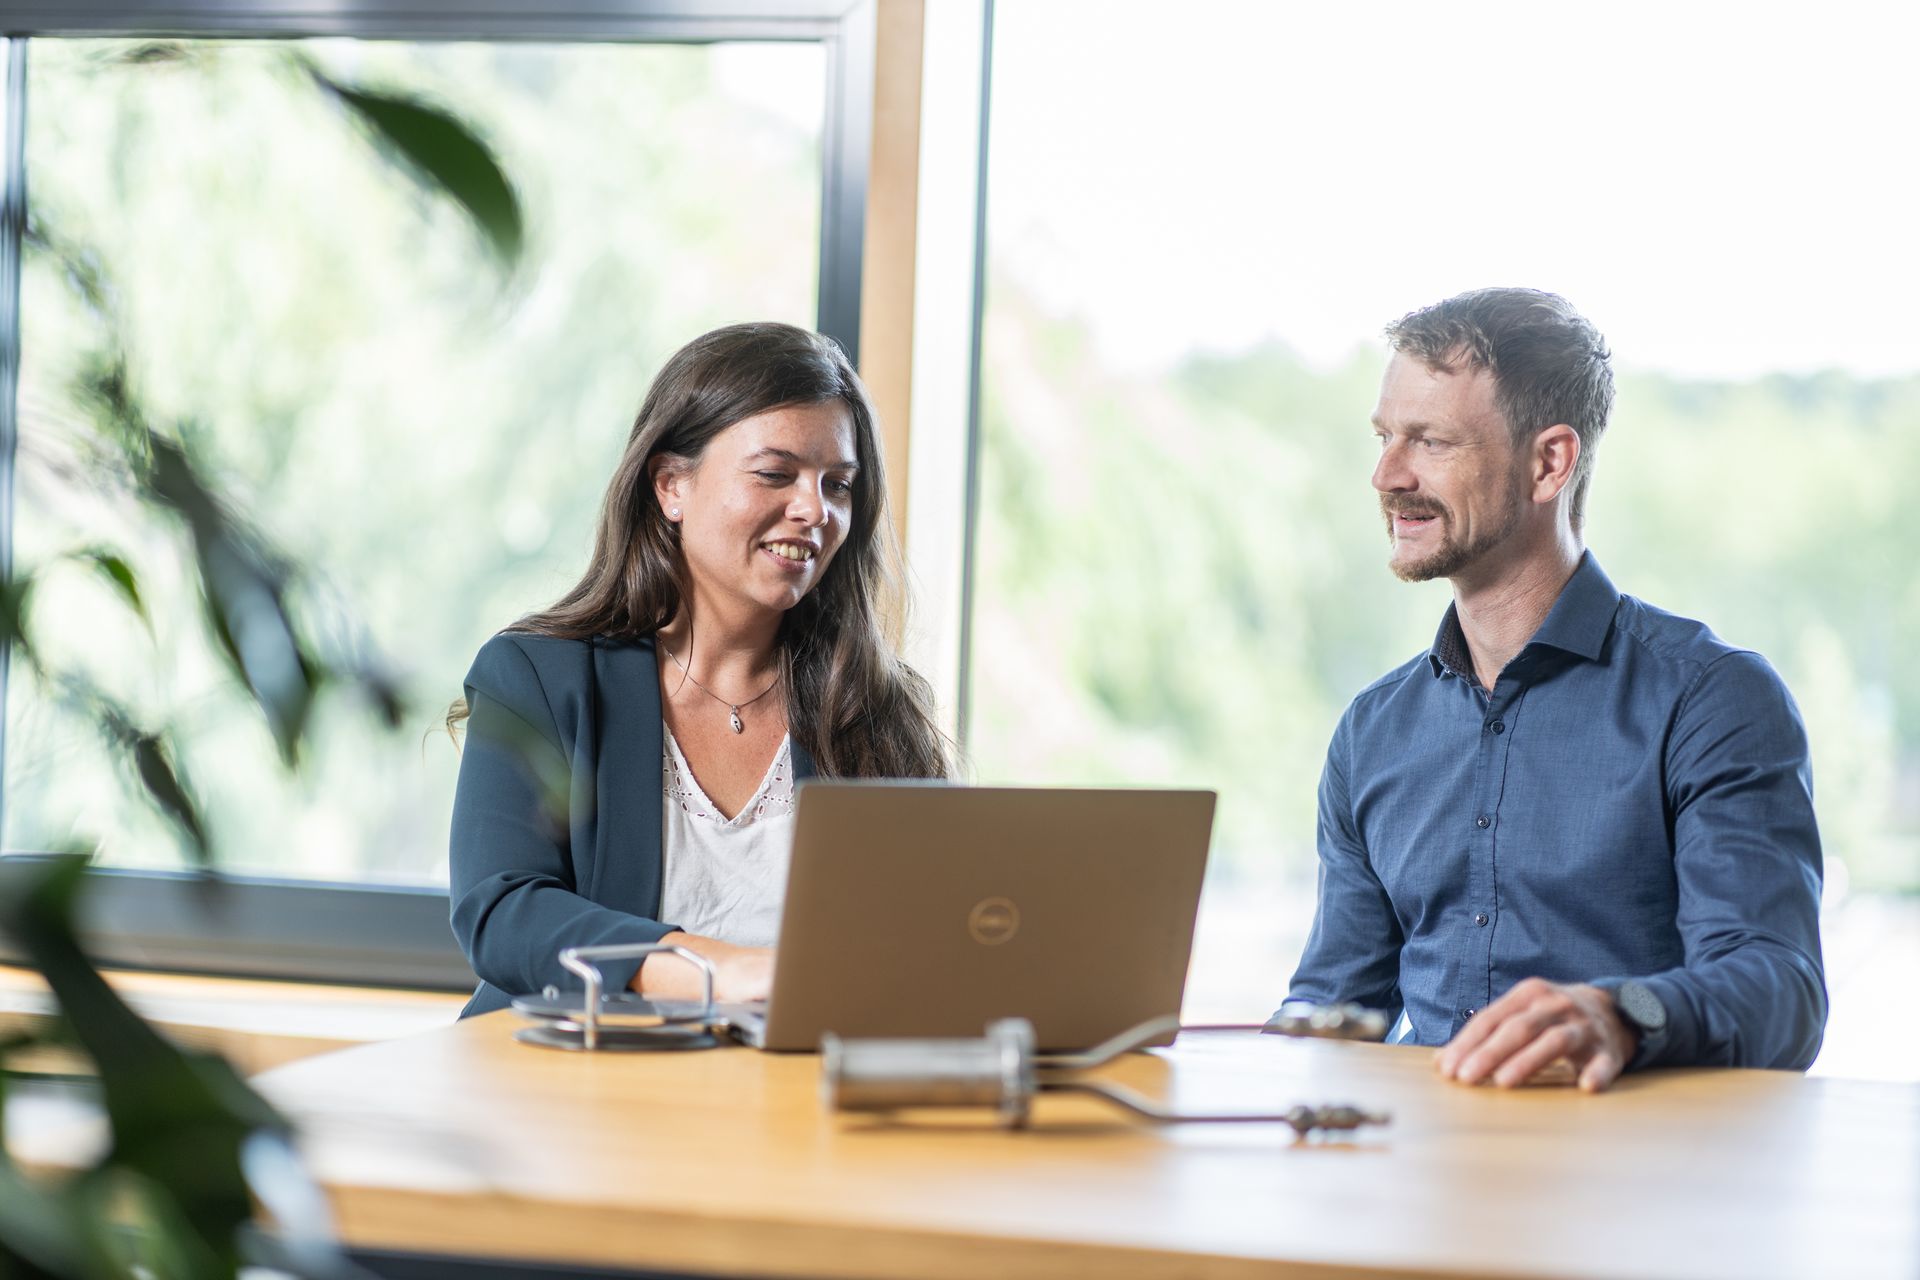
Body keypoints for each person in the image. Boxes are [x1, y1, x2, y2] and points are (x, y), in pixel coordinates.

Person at [1282, 288, 1825, 1090]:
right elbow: (1332, 1011)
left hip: (1632, 1189)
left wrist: (1622, 1014)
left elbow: (1780, 989)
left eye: (1430, 441)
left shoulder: (1712, 701)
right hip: (1411, 1188)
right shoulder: (1372, 733)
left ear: (1549, 463)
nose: (1387, 475)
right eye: (1385, 436)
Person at [448, 322, 950, 1017]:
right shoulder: (537, 676)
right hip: (571, 1095)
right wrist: (728, 971)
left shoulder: (874, 706)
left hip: (792, 1102)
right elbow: (504, 914)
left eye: (838, 484)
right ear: (670, 487)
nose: (815, 509)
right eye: (776, 473)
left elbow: (933, 939)